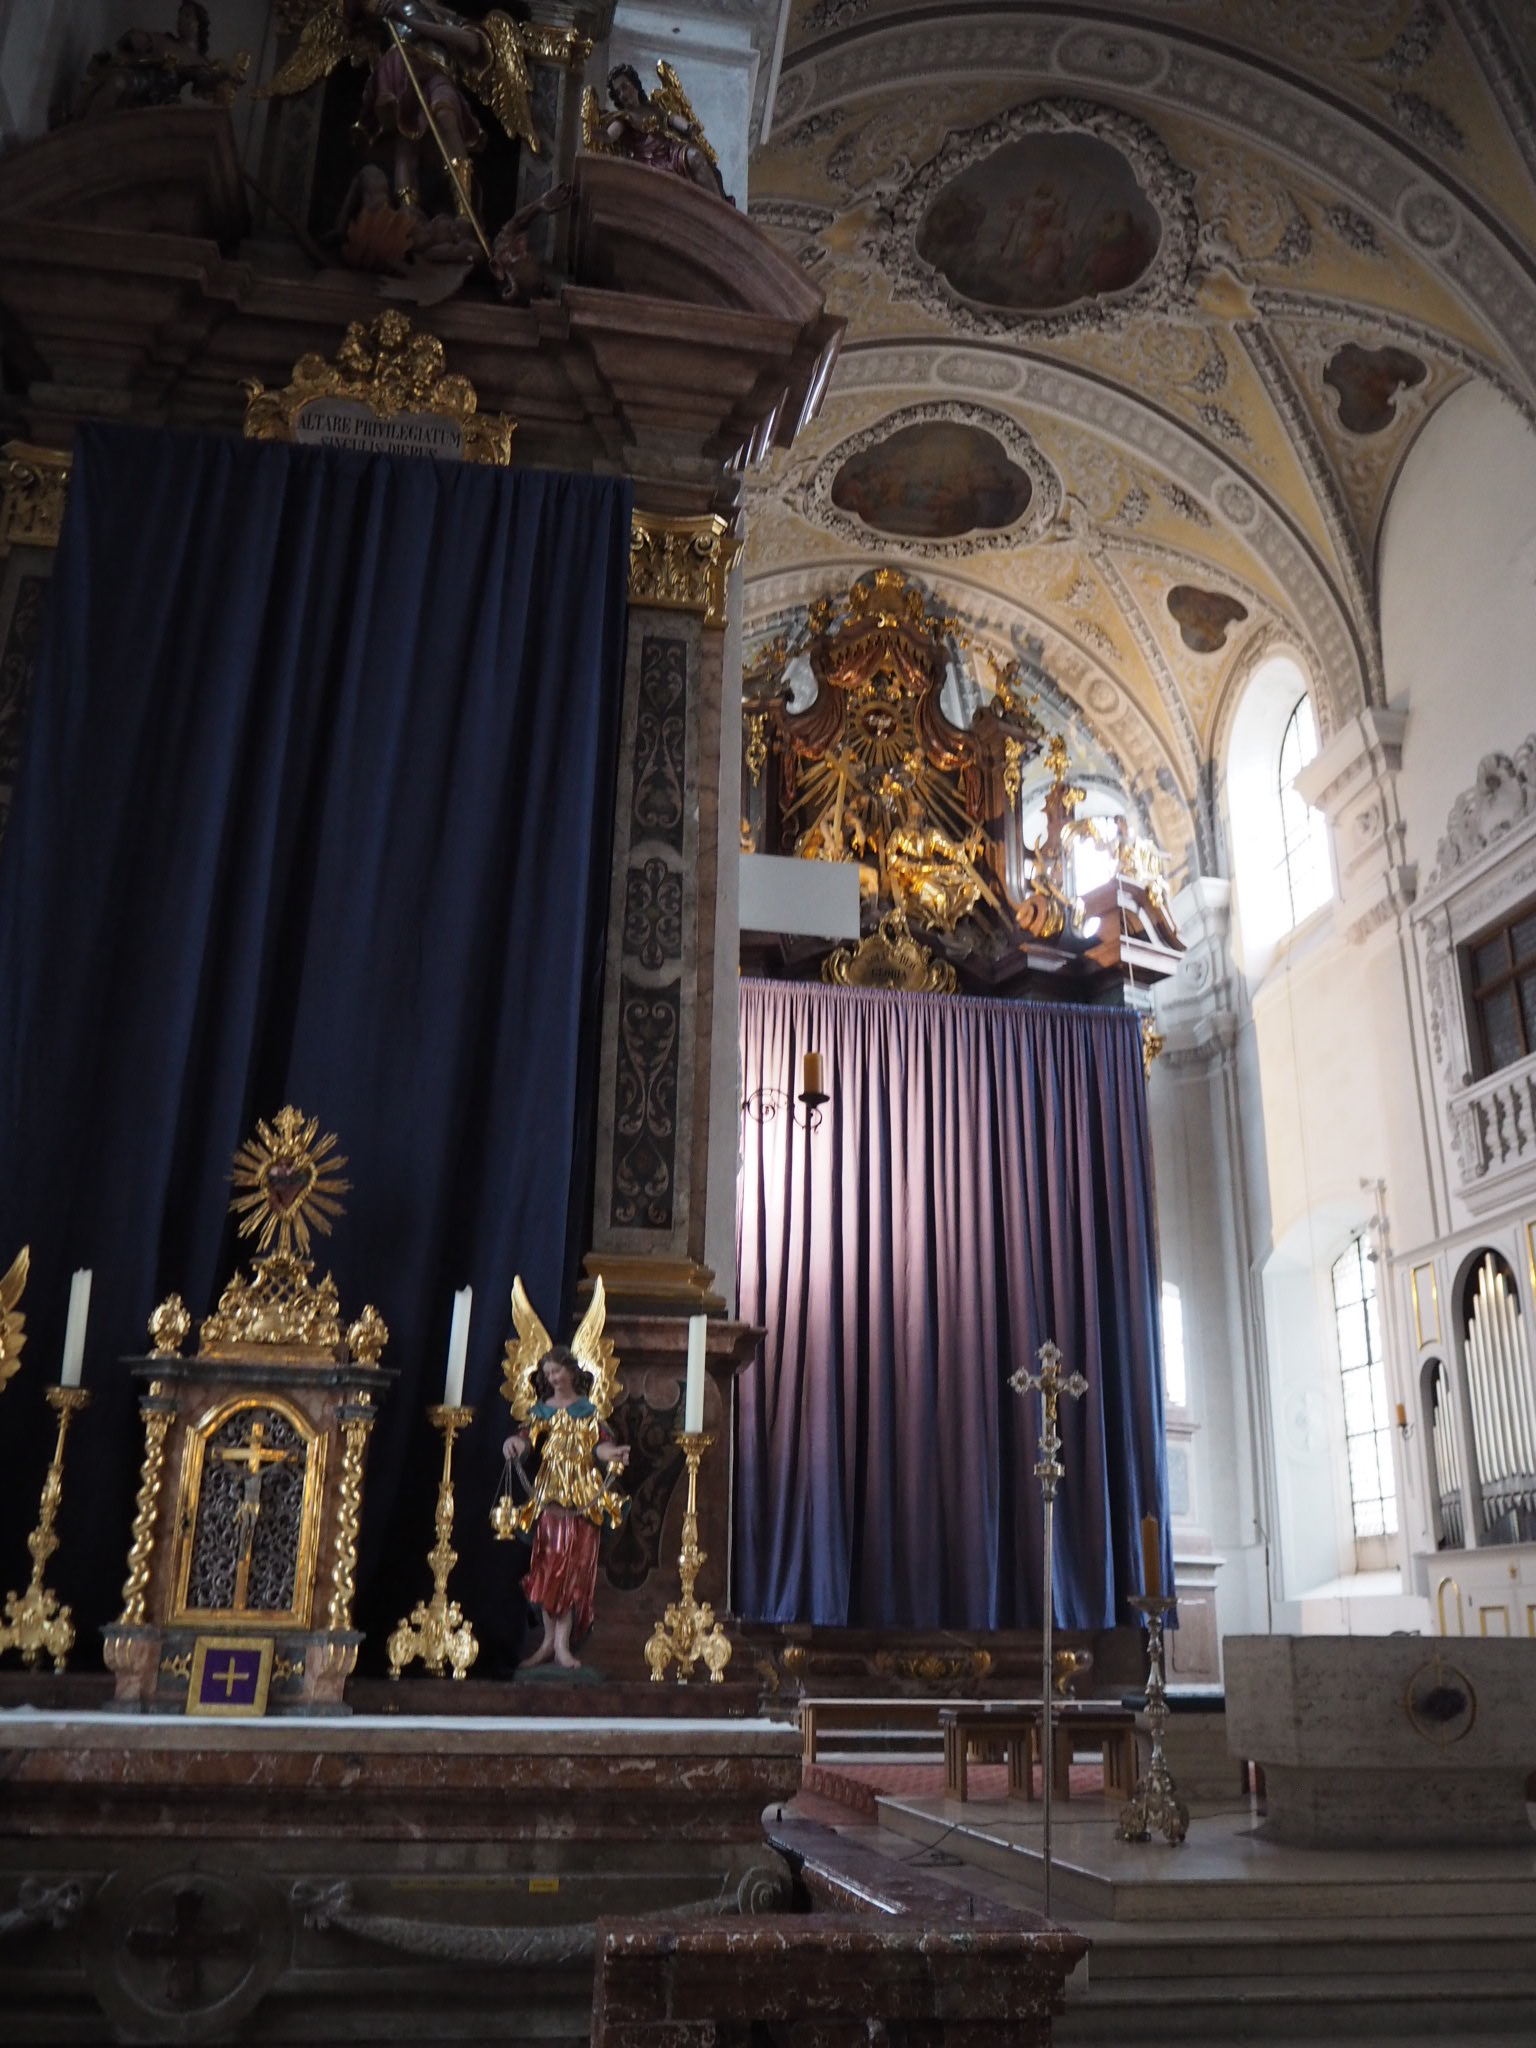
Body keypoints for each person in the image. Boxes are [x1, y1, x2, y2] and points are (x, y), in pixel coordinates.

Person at [504, 1345, 630, 1669]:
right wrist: (515, 1443)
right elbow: (526, 1438)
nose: (552, 1378)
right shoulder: (542, 1410)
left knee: (574, 1569)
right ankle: (548, 1642)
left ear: (571, 1371)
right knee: (547, 1568)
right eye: (547, 1374)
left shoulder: (588, 1411)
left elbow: (600, 1446)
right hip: (550, 1493)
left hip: (582, 1494)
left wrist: (611, 1454)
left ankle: (563, 1644)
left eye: (556, 1371)